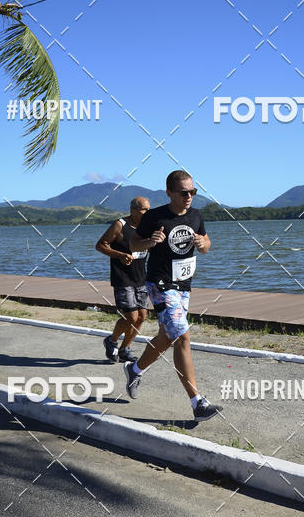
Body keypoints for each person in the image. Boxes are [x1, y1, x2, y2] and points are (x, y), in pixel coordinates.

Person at [124, 170, 223, 421]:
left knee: (168, 336)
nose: (189, 196)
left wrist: (203, 245)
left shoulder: (196, 215)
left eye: (193, 191)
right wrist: (151, 242)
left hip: (183, 285)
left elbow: (207, 243)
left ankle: (135, 369)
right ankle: (197, 403)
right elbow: (134, 244)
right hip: (160, 284)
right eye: (183, 192)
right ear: (170, 193)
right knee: (182, 336)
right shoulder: (156, 217)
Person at [95, 196, 150, 363]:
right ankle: (111, 341)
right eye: (143, 210)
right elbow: (101, 245)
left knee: (142, 317)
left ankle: (125, 349)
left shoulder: (146, 227)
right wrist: (119, 255)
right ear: (133, 210)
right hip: (123, 277)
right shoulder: (120, 225)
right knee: (131, 317)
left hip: (141, 277)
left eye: (149, 209)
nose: (147, 213)